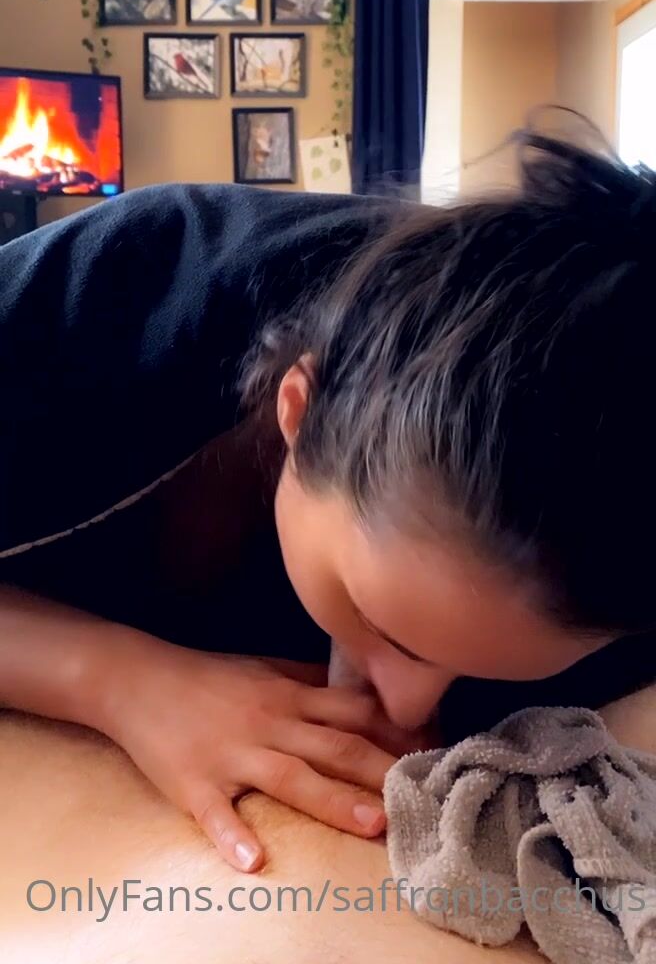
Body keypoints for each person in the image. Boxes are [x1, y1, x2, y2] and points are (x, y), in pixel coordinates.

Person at [1, 128, 655, 880]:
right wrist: (117, 680)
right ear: (298, 411)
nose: (408, 710)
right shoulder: (114, 292)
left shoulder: (622, 579)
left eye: (495, 671)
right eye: (384, 626)